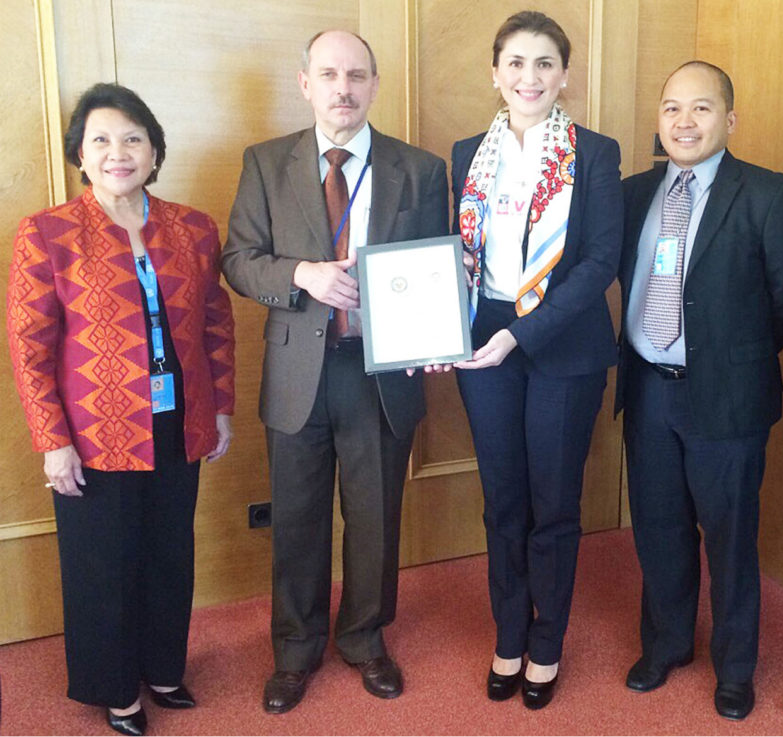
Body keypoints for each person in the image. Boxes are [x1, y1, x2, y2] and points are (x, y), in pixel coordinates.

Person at [221, 30, 448, 713]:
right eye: (329, 74)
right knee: (296, 516)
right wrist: (302, 274)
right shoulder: (266, 163)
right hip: (299, 369)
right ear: (306, 83)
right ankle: (294, 649)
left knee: (376, 513)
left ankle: (364, 638)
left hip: (381, 369)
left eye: (356, 75)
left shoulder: (420, 168)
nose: (343, 87)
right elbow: (238, 259)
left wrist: (437, 328)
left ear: (374, 84)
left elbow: (438, 263)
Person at [6, 82, 235, 736]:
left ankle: (164, 667)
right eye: (101, 138)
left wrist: (219, 407)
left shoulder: (192, 227)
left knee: (170, 552)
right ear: (81, 152)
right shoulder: (47, 233)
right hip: (93, 430)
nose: (118, 151)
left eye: (133, 137)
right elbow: (29, 345)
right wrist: (52, 440)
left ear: (156, 151)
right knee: (102, 563)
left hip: (178, 420)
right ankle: (116, 689)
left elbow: (216, 322)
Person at [615, 61, 783, 720]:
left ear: (729, 119)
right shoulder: (632, 193)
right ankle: (668, 642)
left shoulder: (769, 193)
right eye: (672, 108)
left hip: (726, 398)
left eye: (701, 109)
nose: (684, 122)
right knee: (659, 529)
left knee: (730, 537)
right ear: (659, 119)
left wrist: (729, 353)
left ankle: (735, 667)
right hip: (647, 390)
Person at [450, 10, 623, 710]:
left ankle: (548, 642)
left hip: (564, 344)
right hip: (484, 340)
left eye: (545, 63)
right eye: (516, 63)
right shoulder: (468, 152)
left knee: (554, 503)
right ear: (496, 74)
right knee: (503, 500)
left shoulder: (595, 151)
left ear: (565, 74)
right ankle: (510, 632)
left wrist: (523, 333)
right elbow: (457, 255)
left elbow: (600, 261)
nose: (530, 77)